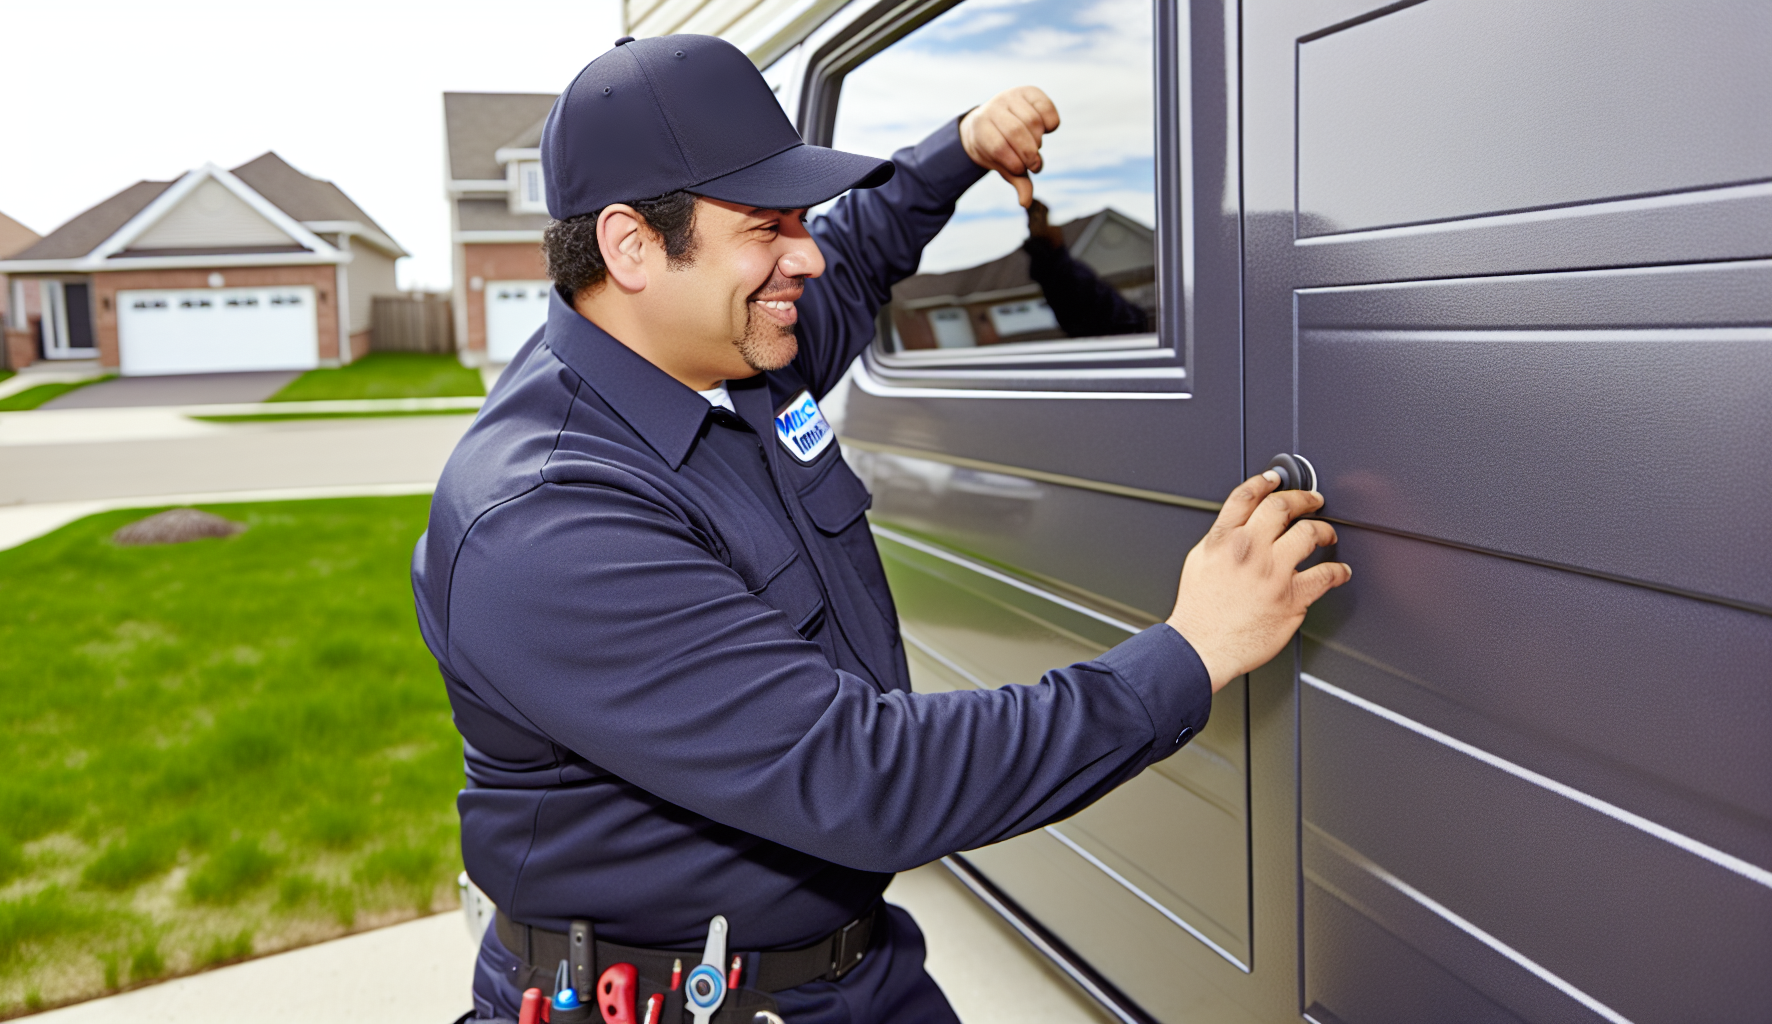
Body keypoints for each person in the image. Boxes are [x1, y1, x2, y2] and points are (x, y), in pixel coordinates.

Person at [413, 34, 1349, 1024]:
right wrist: (1192, 649)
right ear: (632, 247)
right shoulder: (549, 520)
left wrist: (963, 149)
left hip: (853, 973)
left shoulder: (732, 357)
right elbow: (867, 773)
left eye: (801, 218)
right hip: (667, 1000)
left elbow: (857, 251)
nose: (804, 253)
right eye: (767, 225)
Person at [1022, 199, 1151, 337]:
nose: (1054, 228)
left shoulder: (1064, 272)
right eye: (1041, 222)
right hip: (1115, 333)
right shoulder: (1066, 277)